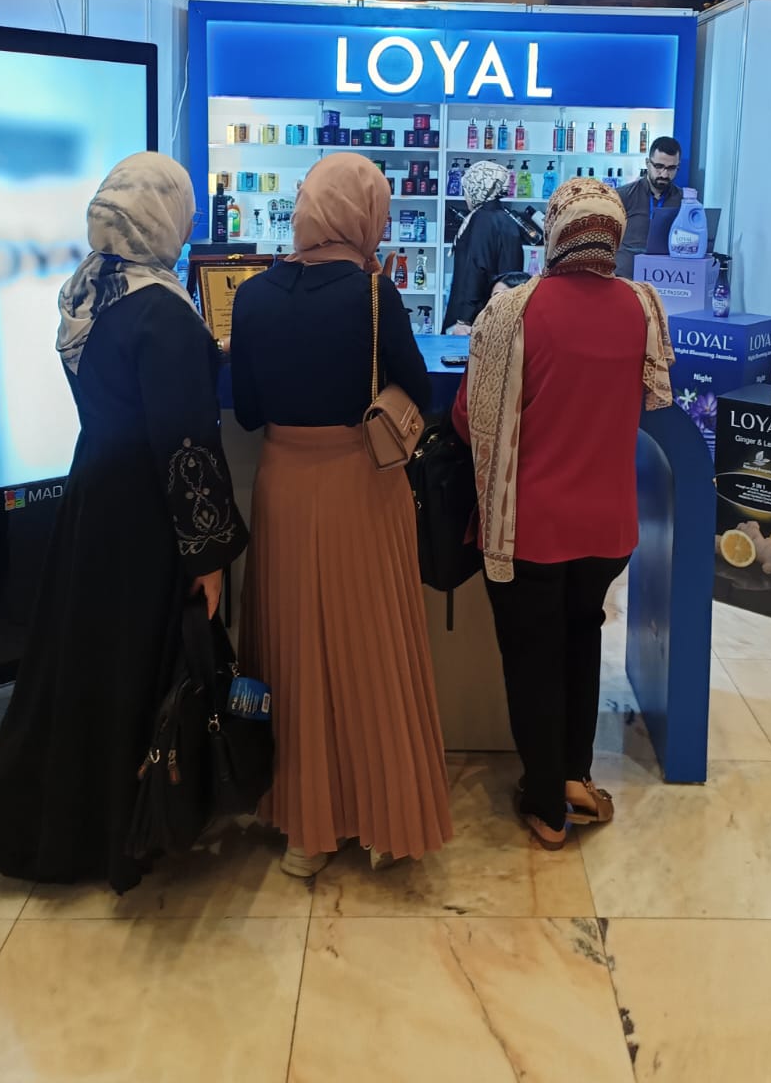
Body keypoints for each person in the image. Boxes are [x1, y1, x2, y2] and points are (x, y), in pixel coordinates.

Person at [0, 152, 247, 894]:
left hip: (95, 491)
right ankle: (125, 829)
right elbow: (185, 444)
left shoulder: (90, 291)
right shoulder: (163, 312)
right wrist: (209, 554)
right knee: (132, 662)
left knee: (81, 659)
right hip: (147, 515)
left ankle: (55, 825)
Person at [231, 153, 452, 878]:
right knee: (374, 648)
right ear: (364, 215)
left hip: (284, 487)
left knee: (292, 653)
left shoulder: (252, 296)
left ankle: (306, 831)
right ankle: (384, 820)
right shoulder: (373, 294)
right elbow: (420, 390)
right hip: (363, 483)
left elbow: (249, 410)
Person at [453, 178, 674, 851]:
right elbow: (654, 399)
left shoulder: (514, 310)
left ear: (555, 231)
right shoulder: (642, 306)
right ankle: (576, 776)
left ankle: (546, 804)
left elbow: (470, 419)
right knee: (582, 642)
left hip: (530, 526)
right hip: (607, 527)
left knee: (532, 659)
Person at [442, 160, 526, 332]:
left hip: (477, 317)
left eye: (467, 188)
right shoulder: (507, 219)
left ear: (477, 187)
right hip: (501, 313)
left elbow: (476, 267)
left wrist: (464, 319)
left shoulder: (481, 219)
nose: (465, 195)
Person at [615, 136, 683, 278]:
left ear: (678, 166)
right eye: (659, 166)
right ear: (647, 163)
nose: (664, 174)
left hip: (668, 279)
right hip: (627, 279)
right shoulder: (623, 195)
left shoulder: (683, 201)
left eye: (671, 168)